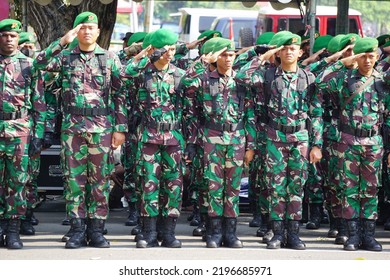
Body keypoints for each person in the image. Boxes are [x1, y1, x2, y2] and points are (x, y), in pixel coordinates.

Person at [34, 11, 127, 249]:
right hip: (73, 129)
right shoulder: (65, 57)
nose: (87, 31)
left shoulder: (109, 59)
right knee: (74, 181)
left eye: (91, 27)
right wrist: (62, 41)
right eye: (82, 27)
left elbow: (119, 94)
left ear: (98, 31)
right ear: (77, 31)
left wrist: (120, 129)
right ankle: (77, 230)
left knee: (100, 181)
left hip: (102, 129)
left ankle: (96, 231)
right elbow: (39, 63)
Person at [237, 31, 323, 250]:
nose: (288, 52)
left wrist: (317, 144)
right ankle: (276, 233)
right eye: (283, 48)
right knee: (276, 187)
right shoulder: (267, 76)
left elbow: (316, 113)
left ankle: (293, 234)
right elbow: (241, 76)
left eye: (292, 48)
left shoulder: (308, 78)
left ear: (301, 52)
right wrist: (266, 55)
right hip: (275, 139)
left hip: (300, 138)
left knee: (296, 187)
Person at [182, 38, 256, 248]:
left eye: (231, 54)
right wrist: (204, 61)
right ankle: (214, 232)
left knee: (232, 188)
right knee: (213, 187)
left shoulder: (241, 82)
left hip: (236, 139)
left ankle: (230, 233)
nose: (228, 59)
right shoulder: (205, 79)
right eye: (223, 55)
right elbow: (186, 83)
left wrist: (251, 145)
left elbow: (250, 115)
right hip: (212, 138)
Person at [317, 37, 389, 251]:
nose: (367, 60)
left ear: (377, 57)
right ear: (356, 58)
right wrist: (341, 62)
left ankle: (368, 236)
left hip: (374, 143)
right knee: (349, 189)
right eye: (363, 56)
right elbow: (318, 82)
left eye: (371, 56)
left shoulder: (383, 82)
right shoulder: (343, 79)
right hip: (348, 142)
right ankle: (352, 235)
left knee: (370, 190)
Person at [122, 28, 186, 248]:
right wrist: (144, 56)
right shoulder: (141, 73)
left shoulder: (180, 75)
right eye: (165, 49)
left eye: (173, 48)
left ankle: (168, 232)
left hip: (174, 139)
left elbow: (190, 109)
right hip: (148, 138)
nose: (170, 53)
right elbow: (122, 73)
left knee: (173, 186)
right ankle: (148, 233)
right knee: (148, 186)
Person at [0, 19, 46, 249]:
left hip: (20, 130)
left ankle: (13, 230)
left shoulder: (29, 65)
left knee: (17, 182)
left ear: (19, 39)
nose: (9, 39)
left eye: (13, 36)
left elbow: (39, 103)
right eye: (5, 35)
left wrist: (38, 134)